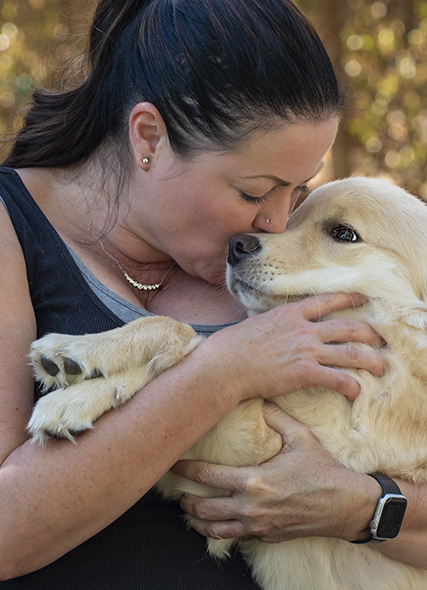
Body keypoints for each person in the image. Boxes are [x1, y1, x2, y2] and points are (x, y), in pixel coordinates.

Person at [0, 0, 425, 587]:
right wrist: (226, 369)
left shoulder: (287, 278)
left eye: (298, 192)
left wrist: (364, 506)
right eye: (255, 192)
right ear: (149, 137)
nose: (275, 227)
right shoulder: (10, 231)